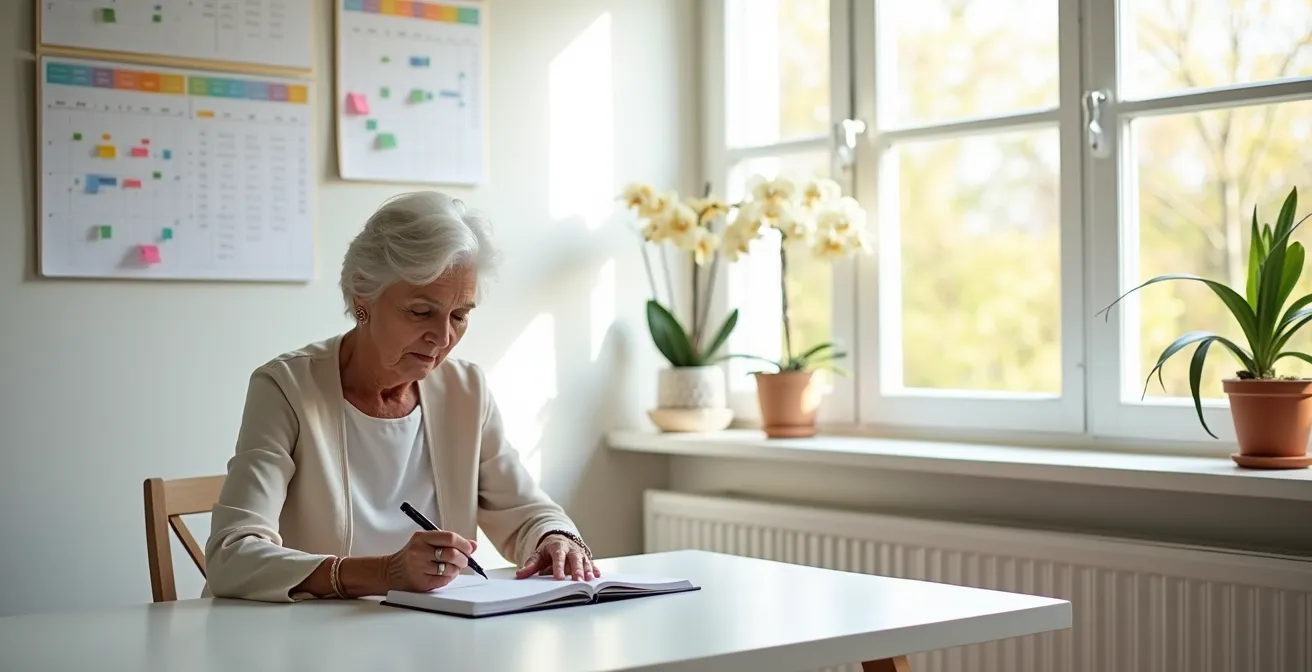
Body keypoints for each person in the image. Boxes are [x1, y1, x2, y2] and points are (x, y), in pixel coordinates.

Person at [204, 191, 596, 603]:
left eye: (460, 315)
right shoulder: (285, 388)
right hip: (302, 643)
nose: (443, 337)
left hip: (423, 638)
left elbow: (526, 510)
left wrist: (556, 537)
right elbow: (232, 557)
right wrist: (384, 573)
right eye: (421, 312)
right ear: (362, 299)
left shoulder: (466, 391)